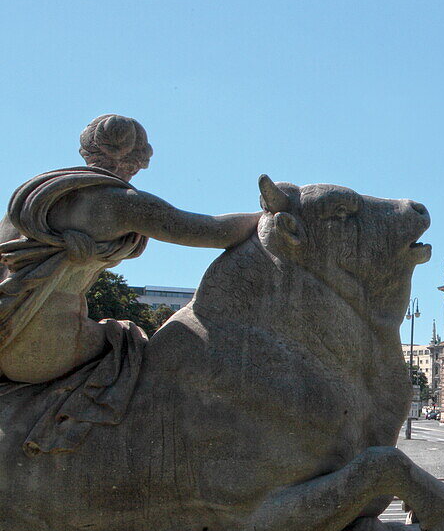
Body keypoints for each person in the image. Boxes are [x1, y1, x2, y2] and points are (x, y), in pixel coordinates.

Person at [0, 115, 261, 454]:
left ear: (87, 149)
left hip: (5, 333)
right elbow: (213, 231)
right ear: (134, 159)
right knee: (129, 344)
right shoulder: (119, 201)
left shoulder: (31, 201)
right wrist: (275, 215)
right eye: (139, 163)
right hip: (42, 349)